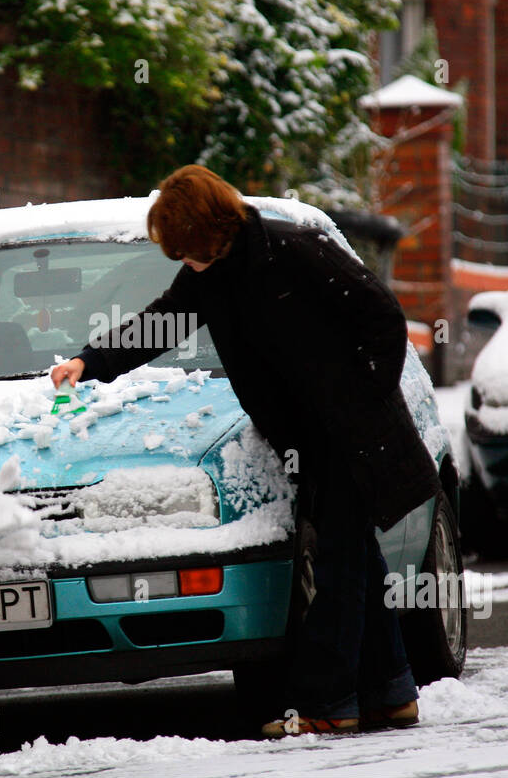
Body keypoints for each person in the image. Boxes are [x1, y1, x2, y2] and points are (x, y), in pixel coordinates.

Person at [50, 164, 441, 736]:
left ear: (211, 228)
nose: (183, 261)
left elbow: (381, 315)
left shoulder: (295, 251)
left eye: (186, 248)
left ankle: (326, 706)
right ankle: (390, 693)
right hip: (311, 439)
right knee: (353, 557)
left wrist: (361, 403)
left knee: (337, 568)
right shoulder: (211, 275)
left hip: (353, 437)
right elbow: (160, 323)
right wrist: (91, 361)